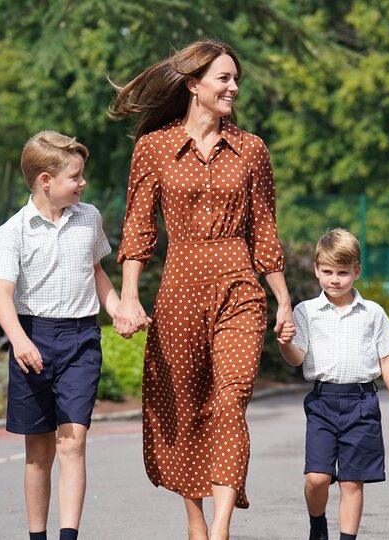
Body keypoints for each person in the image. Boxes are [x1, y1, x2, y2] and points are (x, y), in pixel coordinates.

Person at [107, 40, 295, 540]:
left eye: (236, 80)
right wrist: (128, 297)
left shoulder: (252, 148)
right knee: (183, 406)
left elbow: (265, 231)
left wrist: (282, 299)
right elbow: (138, 230)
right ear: (193, 84)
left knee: (230, 401)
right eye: (224, 79)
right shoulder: (154, 148)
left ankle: (220, 529)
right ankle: (195, 522)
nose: (233, 88)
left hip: (240, 288)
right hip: (180, 289)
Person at [0, 131, 121, 540]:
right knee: (39, 452)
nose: (82, 184)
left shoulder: (90, 216)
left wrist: (117, 310)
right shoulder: (13, 231)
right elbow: (1, 293)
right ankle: (37, 536)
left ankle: (68, 537)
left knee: (72, 442)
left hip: (81, 339)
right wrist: (20, 340)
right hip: (33, 338)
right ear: (45, 180)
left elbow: (97, 271)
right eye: (75, 177)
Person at [278, 228, 389, 540]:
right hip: (323, 403)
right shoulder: (306, 312)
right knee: (316, 477)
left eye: (343, 272)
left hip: (362, 403)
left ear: (356, 272)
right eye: (327, 272)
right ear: (316, 269)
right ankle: (318, 525)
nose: (334, 279)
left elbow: (387, 359)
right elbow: (296, 359)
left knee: (353, 481)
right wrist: (285, 342)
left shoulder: (372, 313)